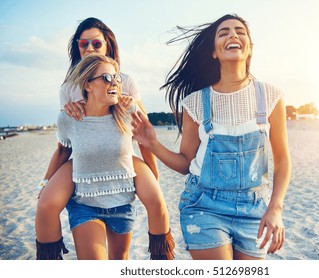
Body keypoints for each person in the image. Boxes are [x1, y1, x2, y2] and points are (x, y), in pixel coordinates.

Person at [131, 14, 291, 260]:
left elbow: (282, 161)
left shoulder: (270, 96)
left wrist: (275, 208)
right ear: (214, 52)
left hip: (254, 208)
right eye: (224, 32)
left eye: (239, 31)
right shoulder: (195, 102)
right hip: (204, 206)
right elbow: (186, 163)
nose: (233, 35)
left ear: (249, 47)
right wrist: (152, 143)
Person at [35, 17, 174, 260]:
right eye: (83, 44)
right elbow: (65, 144)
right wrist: (45, 183)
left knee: (123, 255)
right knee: (47, 203)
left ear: (108, 45)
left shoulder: (125, 81)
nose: (89, 49)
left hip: (119, 158)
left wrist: (153, 173)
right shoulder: (68, 88)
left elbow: (144, 133)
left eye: (96, 44)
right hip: (84, 163)